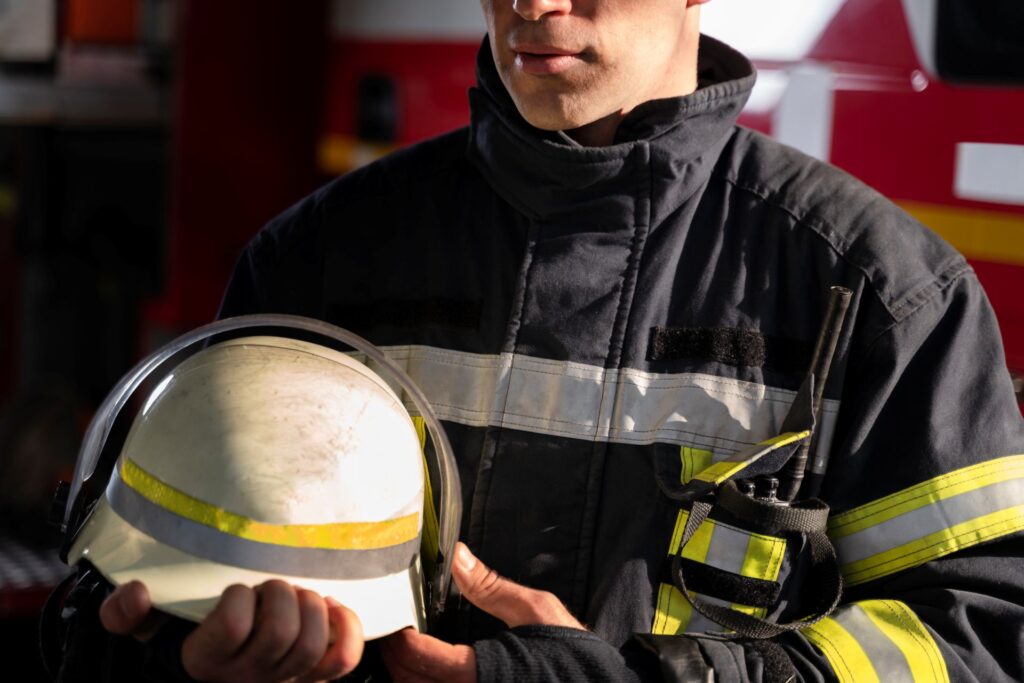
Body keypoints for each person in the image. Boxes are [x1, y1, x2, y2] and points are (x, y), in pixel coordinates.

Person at [81, 0, 1024, 681]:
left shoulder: (882, 294)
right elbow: (105, 603)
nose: (532, 5)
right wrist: (183, 647)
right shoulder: (317, 260)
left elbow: (980, 635)